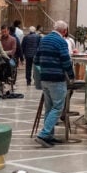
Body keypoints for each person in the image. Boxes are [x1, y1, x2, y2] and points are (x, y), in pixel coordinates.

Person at [34, 19, 75, 147]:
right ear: (64, 31)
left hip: (44, 78)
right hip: (57, 79)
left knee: (49, 108)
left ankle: (49, 136)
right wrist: (72, 75)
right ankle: (44, 134)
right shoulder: (61, 41)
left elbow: (36, 59)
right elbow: (65, 60)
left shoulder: (44, 39)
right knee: (58, 107)